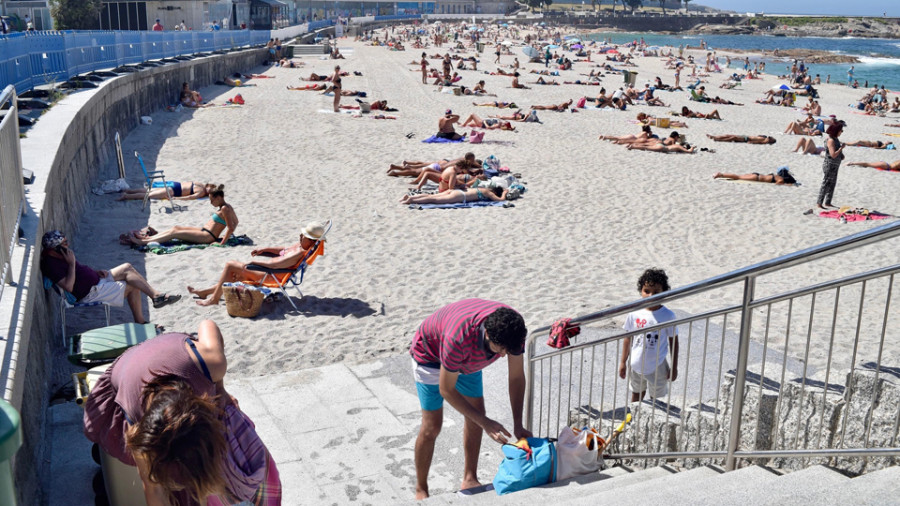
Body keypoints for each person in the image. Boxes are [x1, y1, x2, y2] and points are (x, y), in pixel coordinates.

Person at [82, 320, 281, 505]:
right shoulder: (140, 429)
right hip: (126, 371)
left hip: (174, 351)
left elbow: (208, 324)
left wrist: (220, 390)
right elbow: (153, 490)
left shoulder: (211, 363)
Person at [410, 299, 532, 499]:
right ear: (487, 334)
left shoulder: (513, 332)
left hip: (469, 360)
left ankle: (470, 478)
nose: (503, 356)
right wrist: (486, 423)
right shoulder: (457, 338)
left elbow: (517, 377)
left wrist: (518, 424)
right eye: (499, 349)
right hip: (430, 356)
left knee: (476, 415)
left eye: (507, 350)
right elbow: (446, 389)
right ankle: (421, 489)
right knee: (432, 426)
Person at [40, 230, 180, 323]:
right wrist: (71, 264)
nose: (68, 244)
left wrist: (94, 272)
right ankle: (141, 321)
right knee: (132, 285)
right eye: (64, 243)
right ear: (55, 248)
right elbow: (69, 287)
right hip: (90, 292)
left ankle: (156, 296)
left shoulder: (60, 254)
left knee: (127, 267)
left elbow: (79, 271)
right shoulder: (51, 264)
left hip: (96, 281)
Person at [188, 222, 326, 306]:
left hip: (271, 275)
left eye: (305, 236)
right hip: (267, 271)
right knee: (234, 275)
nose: (300, 236)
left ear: (312, 241)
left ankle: (214, 299)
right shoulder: (299, 246)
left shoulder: (299, 253)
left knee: (231, 265)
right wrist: (264, 250)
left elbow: (275, 266)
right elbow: (282, 251)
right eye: (302, 234)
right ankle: (204, 293)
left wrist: (254, 263)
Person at [618, 269, 679, 402]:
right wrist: (623, 362)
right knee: (636, 395)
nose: (651, 295)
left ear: (664, 293)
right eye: (647, 291)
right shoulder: (634, 313)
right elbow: (628, 339)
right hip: (636, 364)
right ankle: (633, 420)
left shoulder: (668, 315)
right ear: (641, 291)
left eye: (656, 292)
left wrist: (674, 367)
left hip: (658, 365)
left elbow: (674, 342)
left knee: (656, 400)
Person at [127, 186, 238, 246]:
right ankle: (149, 238)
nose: (210, 203)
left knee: (175, 233)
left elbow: (231, 227)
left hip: (207, 236)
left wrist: (222, 242)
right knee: (176, 228)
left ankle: (143, 242)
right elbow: (236, 222)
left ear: (218, 198)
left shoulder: (225, 209)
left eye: (212, 200)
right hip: (204, 231)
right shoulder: (227, 207)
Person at [817, 121, 846, 209]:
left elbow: (838, 154)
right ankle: (819, 203)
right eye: (841, 130)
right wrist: (841, 148)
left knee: (832, 183)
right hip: (830, 165)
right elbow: (833, 155)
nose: (842, 132)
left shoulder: (836, 139)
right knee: (826, 183)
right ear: (836, 130)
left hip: (835, 165)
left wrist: (841, 153)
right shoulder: (830, 140)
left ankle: (828, 202)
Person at [401, 186, 508, 205]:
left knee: (432, 196)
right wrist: (504, 193)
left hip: (455, 191)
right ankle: (411, 200)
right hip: (460, 196)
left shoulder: (483, 188)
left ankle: (410, 197)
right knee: (434, 200)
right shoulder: (488, 193)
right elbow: (500, 200)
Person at [118, 182, 218, 202]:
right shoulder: (201, 189)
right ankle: (126, 195)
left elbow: (189, 197)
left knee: (148, 191)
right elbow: (189, 197)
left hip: (174, 185)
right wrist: (175, 198)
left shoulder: (200, 185)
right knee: (149, 194)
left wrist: (176, 198)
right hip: (173, 189)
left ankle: (128, 192)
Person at [713, 170, 796, 185]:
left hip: (757, 175)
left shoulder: (776, 175)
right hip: (756, 178)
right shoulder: (780, 179)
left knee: (739, 176)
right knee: (737, 177)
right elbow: (779, 183)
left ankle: (721, 174)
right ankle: (720, 174)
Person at [706, 134, 776, 145]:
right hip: (745, 136)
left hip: (746, 139)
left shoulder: (765, 141)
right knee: (729, 135)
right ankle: (714, 136)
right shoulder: (764, 137)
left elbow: (758, 142)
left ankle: (718, 140)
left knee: (733, 138)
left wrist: (751, 142)